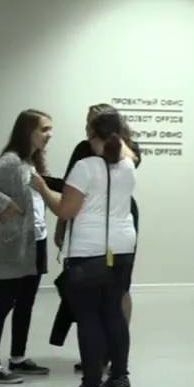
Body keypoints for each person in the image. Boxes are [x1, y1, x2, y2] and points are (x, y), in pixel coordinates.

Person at [31, 109, 138, 387]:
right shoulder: (128, 163)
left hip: (89, 251)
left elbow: (65, 210)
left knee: (89, 316)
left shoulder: (85, 167)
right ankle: (119, 377)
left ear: (92, 134)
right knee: (114, 312)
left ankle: (92, 386)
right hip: (122, 248)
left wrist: (42, 187)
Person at [54, 103, 142, 372]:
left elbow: (66, 203)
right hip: (110, 226)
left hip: (106, 226)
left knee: (106, 299)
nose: (86, 130)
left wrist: (43, 189)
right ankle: (113, 367)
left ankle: (105, 364)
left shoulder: (124, 154)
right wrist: (62, 227)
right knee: (106, 299)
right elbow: (70, 193)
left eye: (90, 124)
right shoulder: (90, 154)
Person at [0, 110, 54, 384]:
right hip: (14, 245)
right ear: (28, 131)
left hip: (36, 240)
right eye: (44, 129)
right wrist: (5, 204)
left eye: (50, 129)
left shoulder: (30, 161)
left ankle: (17, 357)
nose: (49, 134)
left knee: (26, 302)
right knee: (4, 302)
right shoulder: (11, 161)